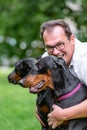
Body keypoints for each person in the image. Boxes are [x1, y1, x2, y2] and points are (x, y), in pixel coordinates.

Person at [36, 19, 87, 129]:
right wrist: (39, 107)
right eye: (49, 47)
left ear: (72, 39)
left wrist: (63, 115)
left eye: (60, 44)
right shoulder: (48, 59)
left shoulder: (84, 59)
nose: (55, 52)